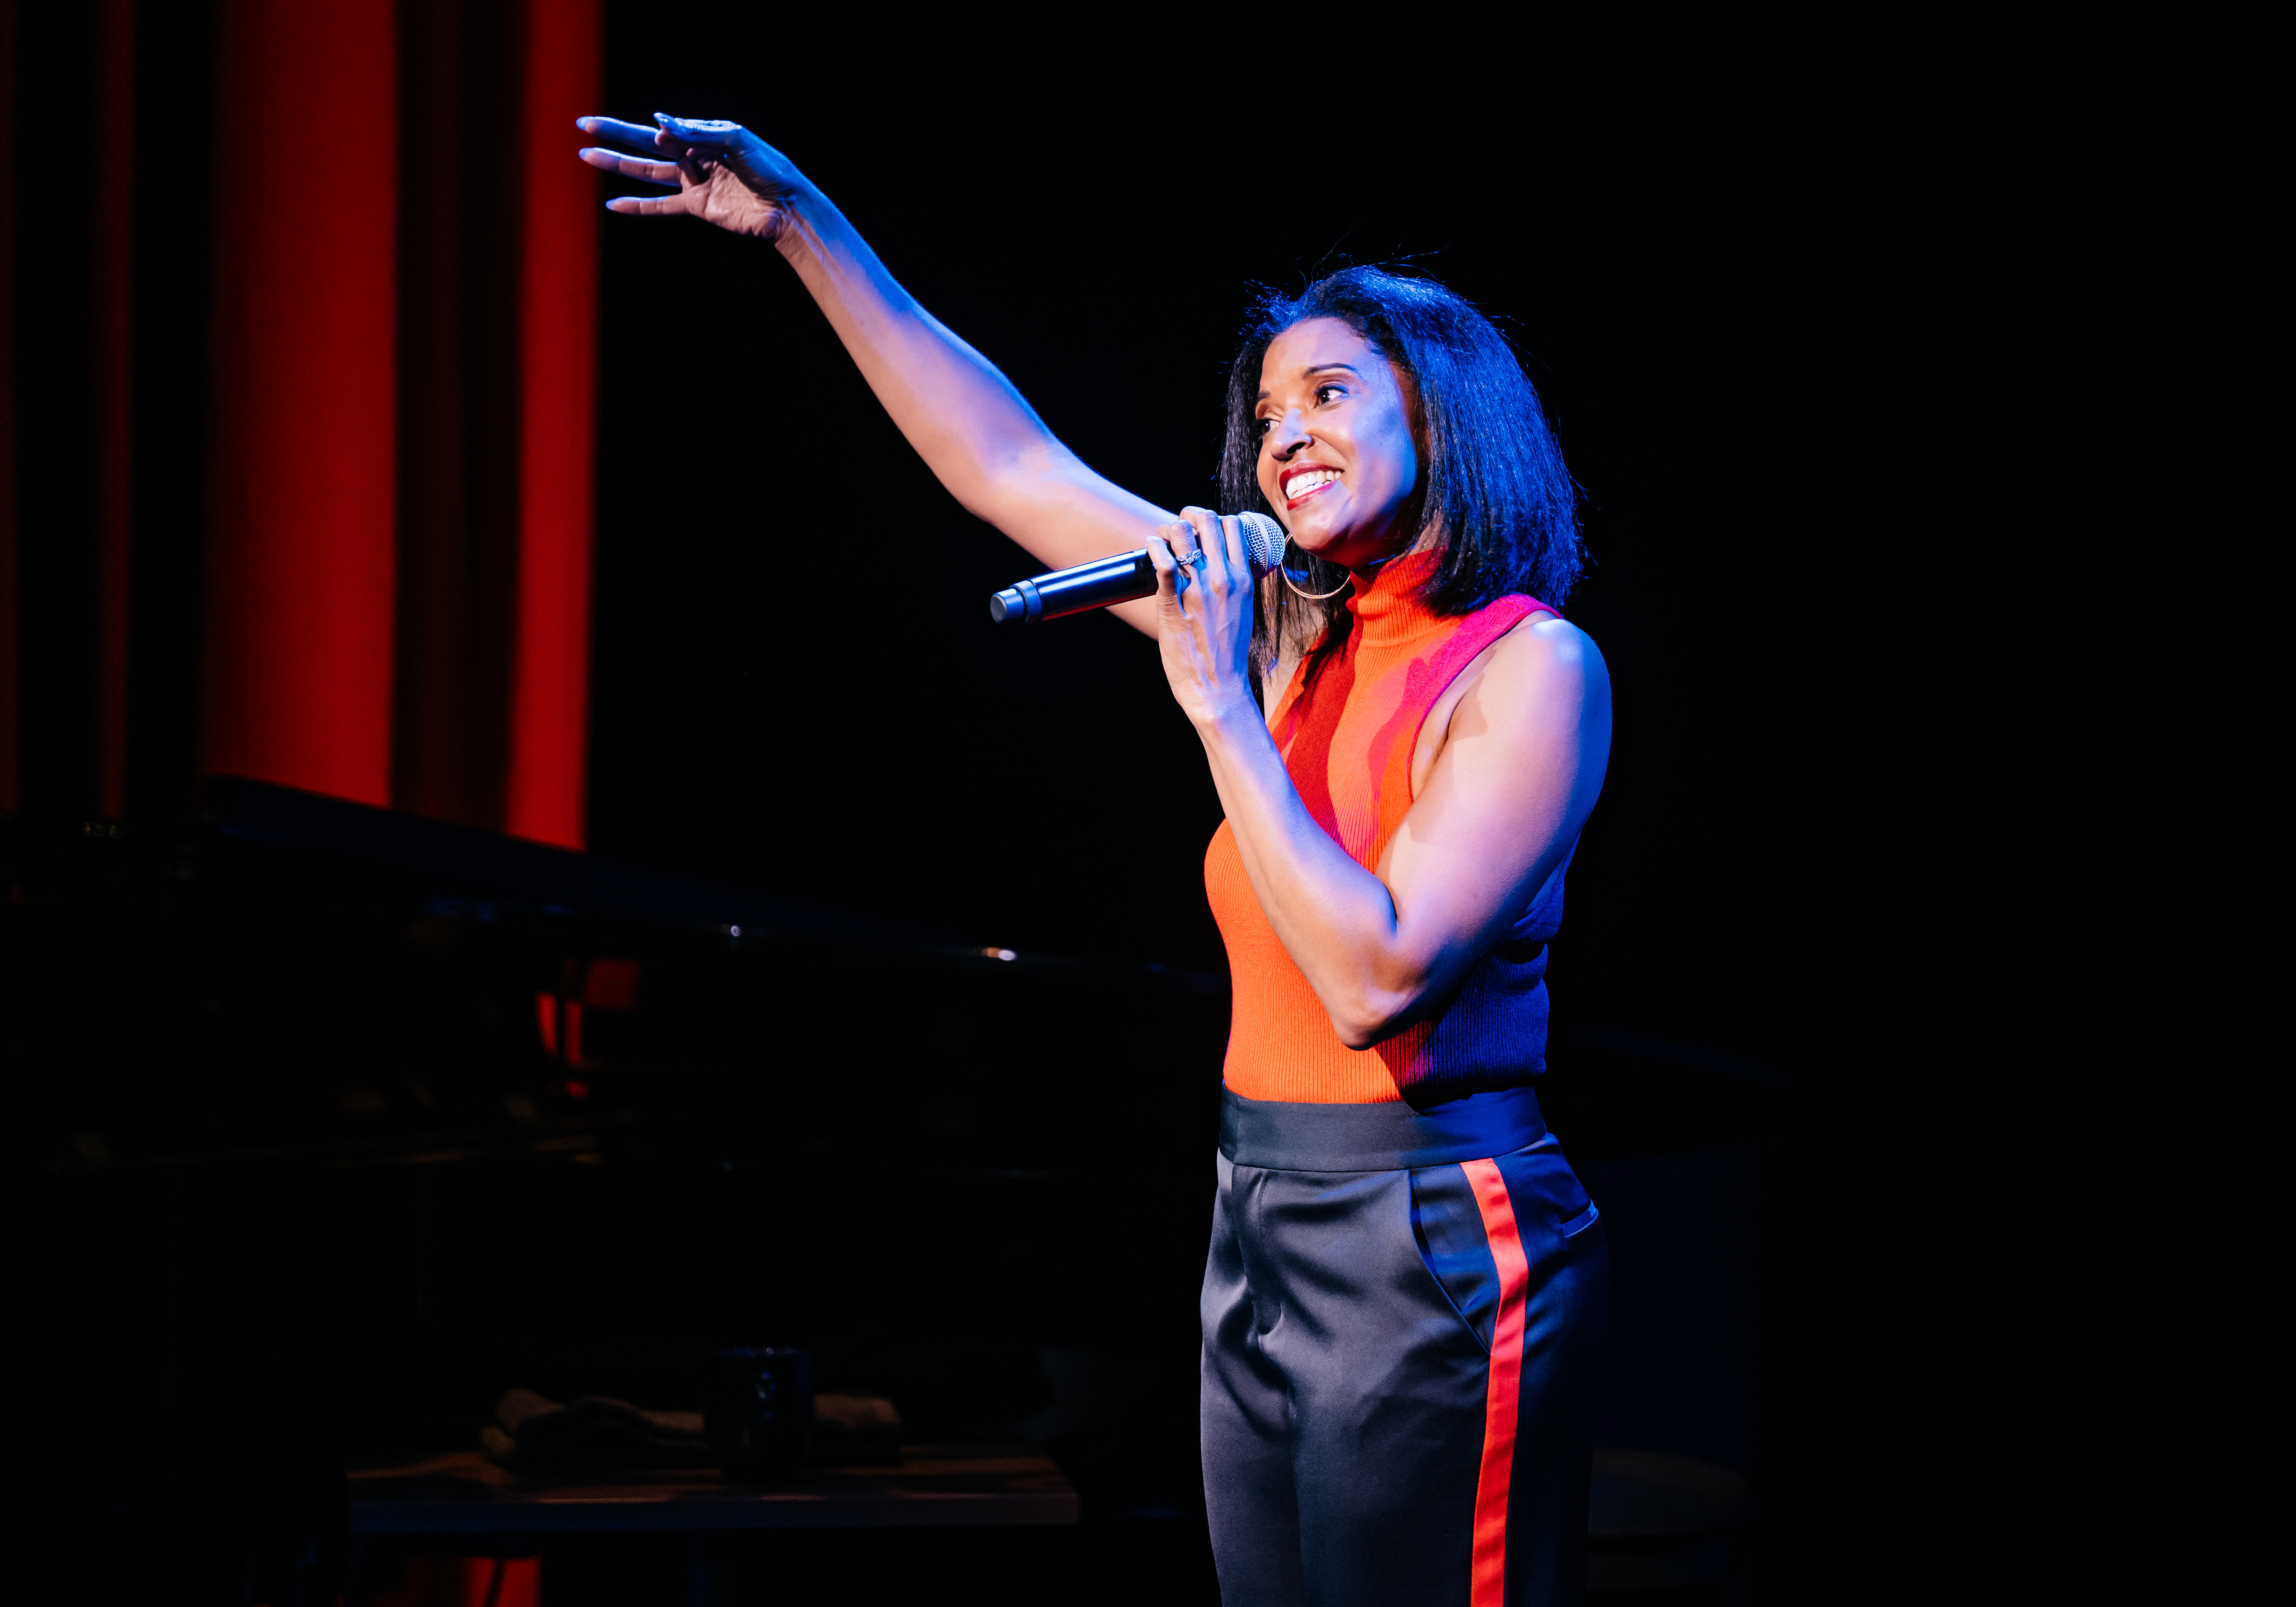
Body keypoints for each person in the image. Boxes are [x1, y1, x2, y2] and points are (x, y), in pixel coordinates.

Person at [578, 113, 1614, 1605]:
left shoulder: (1531, 671)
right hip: (1259, 1206)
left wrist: (1217, 712)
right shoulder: (1287, 642)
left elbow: (1375, 975)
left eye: (1330, 393)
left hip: (1434, 1225)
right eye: (1267, 413)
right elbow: (1004, 456)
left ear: (1442, 417)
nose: (1286, 436)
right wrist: (803, 222)